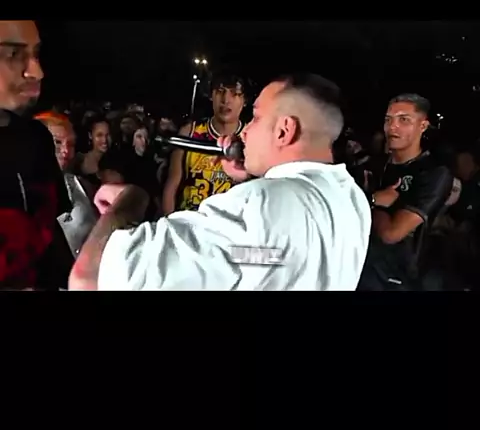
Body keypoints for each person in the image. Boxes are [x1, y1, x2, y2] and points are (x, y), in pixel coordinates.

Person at [68, 72, 372, 291]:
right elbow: (267, 256)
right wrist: (253, 179)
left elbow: (92, 276)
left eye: (255, 117)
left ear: (283, 131)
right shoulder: (352, 199)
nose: (246, 131)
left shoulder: (257, 206)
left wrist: (129, 201)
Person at [0, 20, 72, 290]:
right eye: (13, 54)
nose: (36, 72)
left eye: (36, 54)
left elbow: (50, 233)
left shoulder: (37, 138)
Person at [358, 93, 453, 291]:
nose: (392, 127)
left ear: (423, 126)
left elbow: (391, 233)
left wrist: (372, 203)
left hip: (397, 279)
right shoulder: (372, 165)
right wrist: (373, 199)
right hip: (358, 268)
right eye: (388, 120)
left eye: (404, 120)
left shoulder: (433, 172)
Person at [162, 68, 249, 215]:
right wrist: (167, 221)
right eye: (220, 91)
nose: (226, 100)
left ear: (244, 100)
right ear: (211, 95)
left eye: (235, 93)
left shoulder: (250, 137)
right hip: (188, 220)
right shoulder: (190, 132)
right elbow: (172, 184)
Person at [35, 112, 99, 260]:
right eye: (57, 142)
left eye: (70, 144)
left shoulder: (82, 186)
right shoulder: (19, 190)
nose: (65, 151)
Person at [72, 115, 111, 189]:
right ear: (90, 135)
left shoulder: (118, 161)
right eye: (99, 135)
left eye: (108, 135)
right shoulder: (79, 159)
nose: (104, 140)